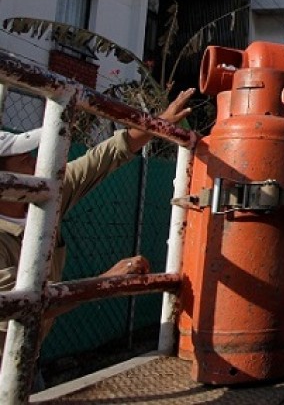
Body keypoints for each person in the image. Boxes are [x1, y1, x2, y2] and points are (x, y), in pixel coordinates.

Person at [0, 88, 195, 360]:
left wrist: (158, 123)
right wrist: (105, 281)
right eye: (24, 160)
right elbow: (26, 305)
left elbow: (100, 159)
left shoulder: (45, 196)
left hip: (28, 352)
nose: (36, 161)